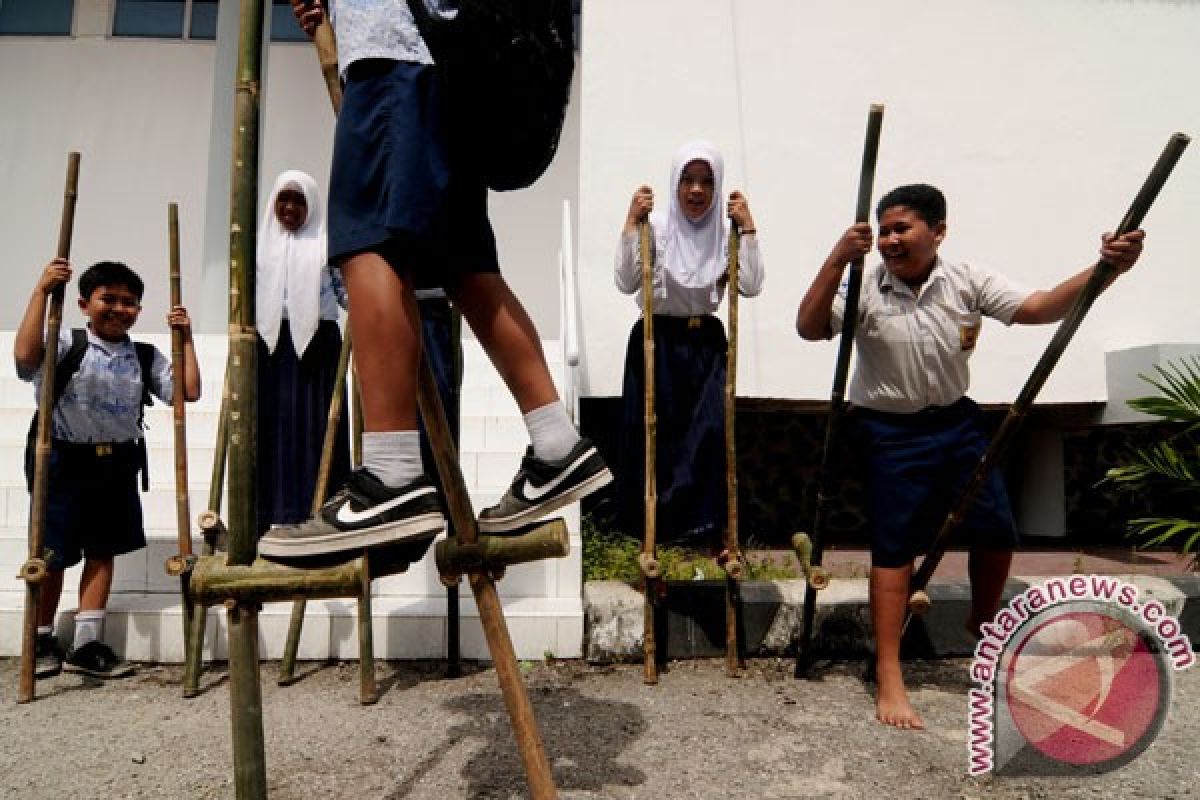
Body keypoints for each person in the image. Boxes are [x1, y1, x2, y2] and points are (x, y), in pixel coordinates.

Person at [260, 0, 611, 560]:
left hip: (394, 60)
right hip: (443, 67)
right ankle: (556, 441)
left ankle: (393, 476)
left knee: (370, 244)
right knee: (463, 262)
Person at [795, 183, 1144, 730]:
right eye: (883, 230)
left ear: (937, 233)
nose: (889, 239)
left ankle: (985, 624)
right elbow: (810, 327)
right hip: (888, 430)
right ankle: (889, 670)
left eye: (901, 229)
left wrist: (1106, 269)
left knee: (995, 527)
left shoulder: (966, 280)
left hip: (956, 423)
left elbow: (1041, 307)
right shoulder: (864, 285)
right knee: (893, 550)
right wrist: (838, 259)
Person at [15, 259, 201, 679]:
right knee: (52, 553)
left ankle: (87, 643)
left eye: (129, 302)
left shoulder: (145, 356)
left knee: (102, 551)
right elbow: (26, 358)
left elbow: (187, 391)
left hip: (116, 462)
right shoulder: (66, 343)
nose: (119, 309)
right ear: (84, 303)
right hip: (60, 458)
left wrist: (185, 338)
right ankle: (42, 637)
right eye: (108, 300)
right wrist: (43, 290)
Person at [614, 140, 763, 548]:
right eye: (688, 180)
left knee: (709, 431)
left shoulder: (725, 232)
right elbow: (626, 281)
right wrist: (631, 222)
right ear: (675, 184)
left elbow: (749, 285)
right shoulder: (656, 227)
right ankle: (653, 530)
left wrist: (748, 227)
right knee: (655, 431)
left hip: (707, 345)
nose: (696, 191)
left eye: (706, 182)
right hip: (656, 341)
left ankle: (699, 527)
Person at [256, 169, 350, 533]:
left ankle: (318, 511)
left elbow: (345, 295)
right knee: (271, 425)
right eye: (284, 198)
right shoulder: (258, 246)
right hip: (268, 346)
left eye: (299, 200)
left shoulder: (327, 245)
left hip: (317, 347)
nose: (290, 207)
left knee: (317, 425)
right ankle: (269, 512)